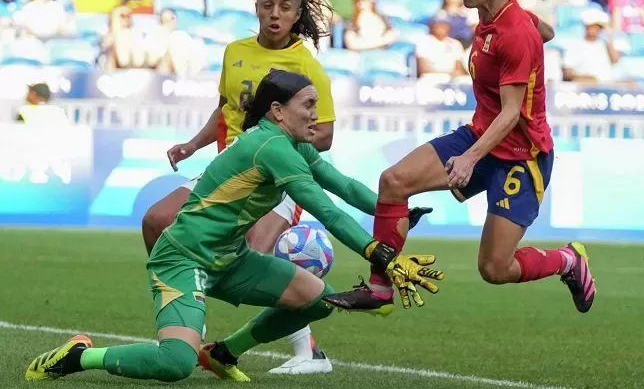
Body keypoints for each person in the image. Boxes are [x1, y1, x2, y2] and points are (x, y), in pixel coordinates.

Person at [25, 70, 443, 384]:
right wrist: (379, 253)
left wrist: (393, 211)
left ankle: (223, 353)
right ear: (278, 111)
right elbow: (326, 210)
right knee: (175, 363)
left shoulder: (290, 144)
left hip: (232, 259)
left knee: (319, 301)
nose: (317, 116)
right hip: (183, 258)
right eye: (309, 105)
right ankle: (81, 355)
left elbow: (345, 186)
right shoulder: (270, 147)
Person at [324, 0, 597, 316]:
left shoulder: (513, 31)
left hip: (521, 154)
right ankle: (380, 290)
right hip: (482, 134)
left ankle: (568, 260)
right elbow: (544, 31)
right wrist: (534, 30)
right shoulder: (492, 18)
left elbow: (513, 112)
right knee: (393, 181)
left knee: (494, 269)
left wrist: (469, 159)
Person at [142, 0, 338, 374]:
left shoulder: (306, 66)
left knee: (256, 248)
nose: (275, 13)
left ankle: (296, 351)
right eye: (267, 4)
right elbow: (225, 108)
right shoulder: (235, 52)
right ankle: (186, 303)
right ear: (256, 7)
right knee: (157, 220)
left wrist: (277, 146)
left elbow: (326, 135)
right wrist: (193, 145)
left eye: (285, 7)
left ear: (297, 14)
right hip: (226, 170)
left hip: (273, 177)